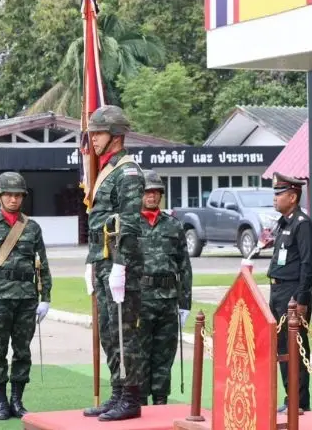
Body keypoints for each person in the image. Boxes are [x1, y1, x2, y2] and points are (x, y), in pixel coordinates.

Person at [81, 105, 146, 422]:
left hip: (121, 264)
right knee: (109, 332)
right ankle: (118, 392)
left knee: (124, 332)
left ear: (116, 135)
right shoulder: (108, 169)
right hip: (103, 261)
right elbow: (100, 223)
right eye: (92, 133)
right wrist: (91, 262)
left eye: (98, 133)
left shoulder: (128, 172)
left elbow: (130, 223)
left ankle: (131, 398)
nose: (92, 139)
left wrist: (120, 264)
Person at [0, 172, 52, 420]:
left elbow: (42, 264)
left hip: (26, 298)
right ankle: (1, 402)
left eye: (18, 195)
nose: (14, 199)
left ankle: (17, 400)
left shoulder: (32, 227)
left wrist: (45, 296)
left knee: (23, 351)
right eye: (9, 195)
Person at [137, 170, 192, 406]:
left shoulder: (173, 225)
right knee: (139, 354)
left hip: (168, 300)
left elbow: (184, 266)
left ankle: (161, 401)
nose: (152, 196)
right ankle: (138, 401)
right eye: (148, 191)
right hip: (139, 300)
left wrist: (185, 304)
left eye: (156, 192)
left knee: (164, 354)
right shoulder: (129, 224)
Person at [267, 173, 312, 413]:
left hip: (291, 292)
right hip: (277, 290)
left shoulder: (302, 223)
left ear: (293, 196)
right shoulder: (284, 223)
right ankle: (290, 398)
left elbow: (307, 264)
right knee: (282, 349)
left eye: (279, 194)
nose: (275, 198)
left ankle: (299, 400)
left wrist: (302, 298)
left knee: (295, 348)